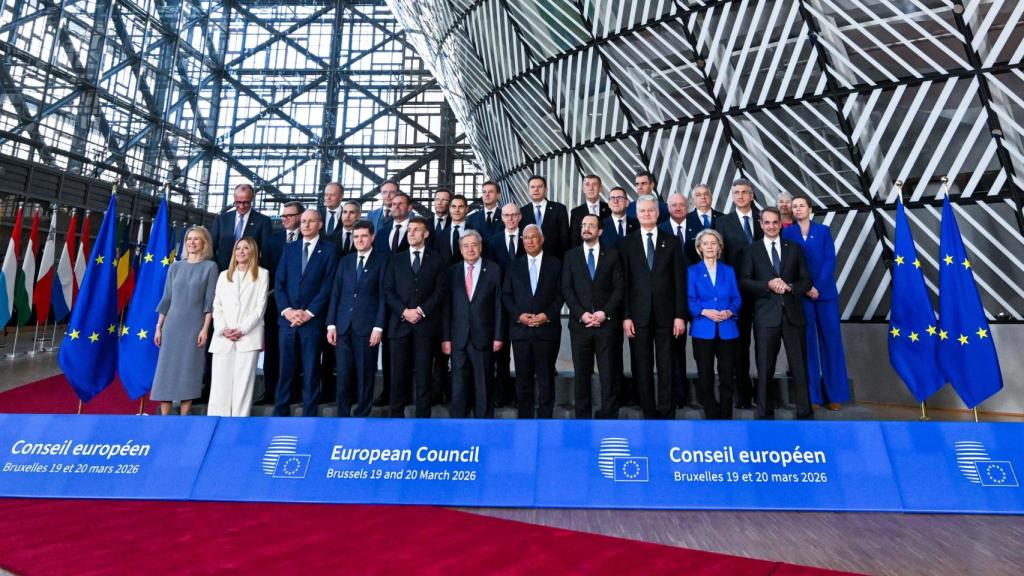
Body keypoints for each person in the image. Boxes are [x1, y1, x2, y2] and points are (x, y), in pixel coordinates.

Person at [739, 207, 813, 420]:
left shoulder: (794, 248)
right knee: (765, 368)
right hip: (765, 317)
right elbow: (744, 282)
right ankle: (764, 414)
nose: (771, 226)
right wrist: (768, 285)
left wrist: (790, 287)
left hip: (793, 316)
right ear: (761, 225)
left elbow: (806, 280)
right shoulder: (751, 250)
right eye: (767, 222)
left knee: (799, 367)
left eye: (775, 222)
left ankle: (805, 414)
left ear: (780, 224)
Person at [620, 195, 688, 419]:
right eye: (643, 211)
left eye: (651, 210)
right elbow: (624, 283)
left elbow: (679, 281)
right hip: (638, 316)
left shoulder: (672, 241)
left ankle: (667, 410)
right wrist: (626, 316)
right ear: (636, 214)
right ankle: (648, 410)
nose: (647, 214)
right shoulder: (627, 243)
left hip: (667, 315)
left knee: (667, 363)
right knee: (642, 364)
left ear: (658, 213)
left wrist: (680, 315)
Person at [783, 194, 850, 411]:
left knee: (831, 344)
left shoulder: (823, 231)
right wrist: (805, 288)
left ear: (810, 209)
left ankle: (835, 395)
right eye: (794, 206)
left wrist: (817, 287)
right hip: (801, 296)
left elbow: (830, 260)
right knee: (808, 346)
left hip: (825, 294)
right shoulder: (787, 233)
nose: (798, 209)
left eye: (801, 205)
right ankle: (812, 396)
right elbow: (788, 264)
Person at [273, 210, 338, 417]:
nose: (306, 225)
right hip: (288, 321)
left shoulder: (329, 250)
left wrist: (309, 313)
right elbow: (279, 283)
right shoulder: (289, 249)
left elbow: (328, 285)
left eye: (311, 221)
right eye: (303, 222)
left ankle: (309, 414)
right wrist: (287, 311)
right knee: (285, 369)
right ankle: (280, 412)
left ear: (320, 224)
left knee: (311, 370)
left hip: (312, 321)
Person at [382, 216, 446, 418]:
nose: (411, 233)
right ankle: (395, 420)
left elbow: (440, 291)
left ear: (426, 234)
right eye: (409, 229)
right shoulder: (396, 259)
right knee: (398, 377)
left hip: (426, 327)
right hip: (399, 326)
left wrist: (420, 311)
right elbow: (387, 290)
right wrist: (404, 311)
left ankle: (422, 422)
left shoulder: (437, 259)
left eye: (416, 229)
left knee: (424, 377)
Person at [151, 226, 219, 416]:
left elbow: (209, 302)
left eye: (196, 239)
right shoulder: (175, 267)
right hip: (171, 326)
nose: (192, 242)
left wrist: (205, 329)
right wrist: (159, 327)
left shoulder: (210, 267)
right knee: (166, 369)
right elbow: (166, 298)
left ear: (204, 243)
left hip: (194, 327)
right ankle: (164, 417)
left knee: (189, 369)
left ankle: (184, 416)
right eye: (189, 238)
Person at [562, 214, 623, 418]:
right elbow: (567, 288)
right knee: (581, 375)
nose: (586, 228)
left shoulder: (613, 255)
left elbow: (619, 288)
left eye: (591, 225)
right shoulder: (571, 256)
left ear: (600, 231)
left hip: (606, 325)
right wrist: (581, 314)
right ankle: (582, 419)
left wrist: (604, 313)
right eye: (584, 225)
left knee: (609, 375)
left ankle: (609, 417)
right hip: (580, 326)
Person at [441, 229, 504, 418]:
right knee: (459, 387)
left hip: (484, 337)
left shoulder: (494, 270)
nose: (470, 249)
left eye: (474, 245)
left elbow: (498, 306)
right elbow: (447, 308)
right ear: (460, 249)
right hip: (458, 338)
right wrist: (445, 338)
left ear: (481, 247)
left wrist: (498, 336)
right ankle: (459, 425)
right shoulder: (452, 272)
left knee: (483, 385)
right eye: (466, 246)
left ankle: (483, 426)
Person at [327, 221, 386, 417]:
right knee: (343, 374)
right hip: (343, 326)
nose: (359, 240)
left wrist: (378, 327)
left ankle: (362, 415)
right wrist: (331, 324)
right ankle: (342, 416)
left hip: (367, 328)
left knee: (365, 374)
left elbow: (384, 296)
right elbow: (336, 293)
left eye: (364, 236)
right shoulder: (345, 261)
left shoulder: (382, 261)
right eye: (356, 236)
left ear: (372, 237)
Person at [503, 224, 562, 418]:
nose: (529, 241)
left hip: (547, 331)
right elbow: (506, 296)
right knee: (523, 379)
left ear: (542, 239)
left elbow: (561, 295)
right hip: (521, 332)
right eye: (526, 238)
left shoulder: (555, 264)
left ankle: (545, 419)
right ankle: (525, 421)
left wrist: (547, 315)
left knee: (546, 379)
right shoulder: (514, 265)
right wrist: (519, 316)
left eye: (534, 237)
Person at [715, 178, 762, 408]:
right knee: (740, 347)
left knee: (765, 347)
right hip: (738, 295)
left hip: (764, 294)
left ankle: (764, 395)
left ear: (752, 195)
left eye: (745, 192)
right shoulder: (723, 222)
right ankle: (743, 394)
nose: (741, 196)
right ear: (732, 196)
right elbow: (721, 261)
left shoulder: (764, 218)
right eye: (737, 193)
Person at [208, 237, 269, 417]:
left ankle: (238, 423)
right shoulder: (223, 275)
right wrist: (223, 329)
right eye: (238, 248)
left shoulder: (262, 274)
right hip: (223, 337)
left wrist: (242, 329)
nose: (241, 252)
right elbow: (217, 306)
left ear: (253, 252)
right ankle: (217, 421)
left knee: (243, 385)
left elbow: (260, 308)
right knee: (220, 384)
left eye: (245, 248)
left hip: (248, 337)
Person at [687, 229, 741, 420]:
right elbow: (690, 300)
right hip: (703, 329)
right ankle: (711, 414)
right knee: (705, 375)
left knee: (727, 375)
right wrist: (704, 311)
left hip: (727, 329)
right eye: (705, 243)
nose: (709, 247)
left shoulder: (729, 271)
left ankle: (726, 415)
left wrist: (730, 311)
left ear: (719, 247)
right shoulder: (692, 271)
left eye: (713, 243)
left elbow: (737, 298)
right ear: (699, 248)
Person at [257, 200, 304, 406]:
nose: (284, 219)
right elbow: (264, 271)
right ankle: (270, 391)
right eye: (283, 215)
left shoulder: (308, 238)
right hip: (274, 303)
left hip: (300, 306)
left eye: (289, 215)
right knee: (273, 349)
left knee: (296, 351)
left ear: (300, 217)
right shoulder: (272, 240)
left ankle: (294, 392)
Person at [486, 203, 523, 407]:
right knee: (500, 353)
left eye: (514, 215)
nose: (510, 219)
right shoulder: (493, 241)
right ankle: (501, 394)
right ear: (502, 218)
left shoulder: (528, 238)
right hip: (500, 302)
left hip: (522, 303)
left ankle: (520, 396)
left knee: (522, 353)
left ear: (519, 217)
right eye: (507, 215)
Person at [660, 192, 692, 408]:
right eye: (674, 205)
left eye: (682, 205)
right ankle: (677, 395)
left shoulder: (697, 228)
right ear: (667, 207)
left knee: (698, 350)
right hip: (669, 300)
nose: (678, 208)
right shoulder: (660, 229)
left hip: (698, 295)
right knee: (672, 350)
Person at [210, 183, 272, 271]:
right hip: (223, 271)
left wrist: (257, 271)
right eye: (238, 202)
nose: (241, 206)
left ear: (252, 198)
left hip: (250, 272)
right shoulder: (221, 220)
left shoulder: (263, 221)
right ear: (234, 198)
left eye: (246, 202)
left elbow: (266, 252)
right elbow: (211, 247)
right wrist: (216, 268)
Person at [518, 175, 570, 258]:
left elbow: (565, 238)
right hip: (531, 259)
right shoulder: (522, 211)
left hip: (555, 258)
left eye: (539, 186)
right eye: (532, 187)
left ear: (546, 189)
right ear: (528, 191)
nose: (536, 190)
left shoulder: (559, 209)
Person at [569, 175, 610, 248]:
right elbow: (574, 240)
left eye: (594, 184)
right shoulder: (575, 212)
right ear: (583, 189)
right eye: (587, 185)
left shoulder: (610, 209)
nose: (591, 188)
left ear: (600, 188)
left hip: (608, 252)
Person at [686, 184, 723, 264]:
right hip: (695, 267)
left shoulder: (723, 218)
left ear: (711, 197)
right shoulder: (685, 220)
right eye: (698, 195)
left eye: (706, 194)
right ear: (693, 200)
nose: (703, 197)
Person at [437, 194, 469, 265]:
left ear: (466, 209)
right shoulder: (441, 235)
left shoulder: (475, 232)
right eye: (454, 206)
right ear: (449, 209)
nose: (457, 210)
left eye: (460, 207)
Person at [320, 182, 346, 248]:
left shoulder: (347, 215)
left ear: (341, 196)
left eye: (332, 195)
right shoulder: (316, 214)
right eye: (326, 194)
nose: (328, 198)